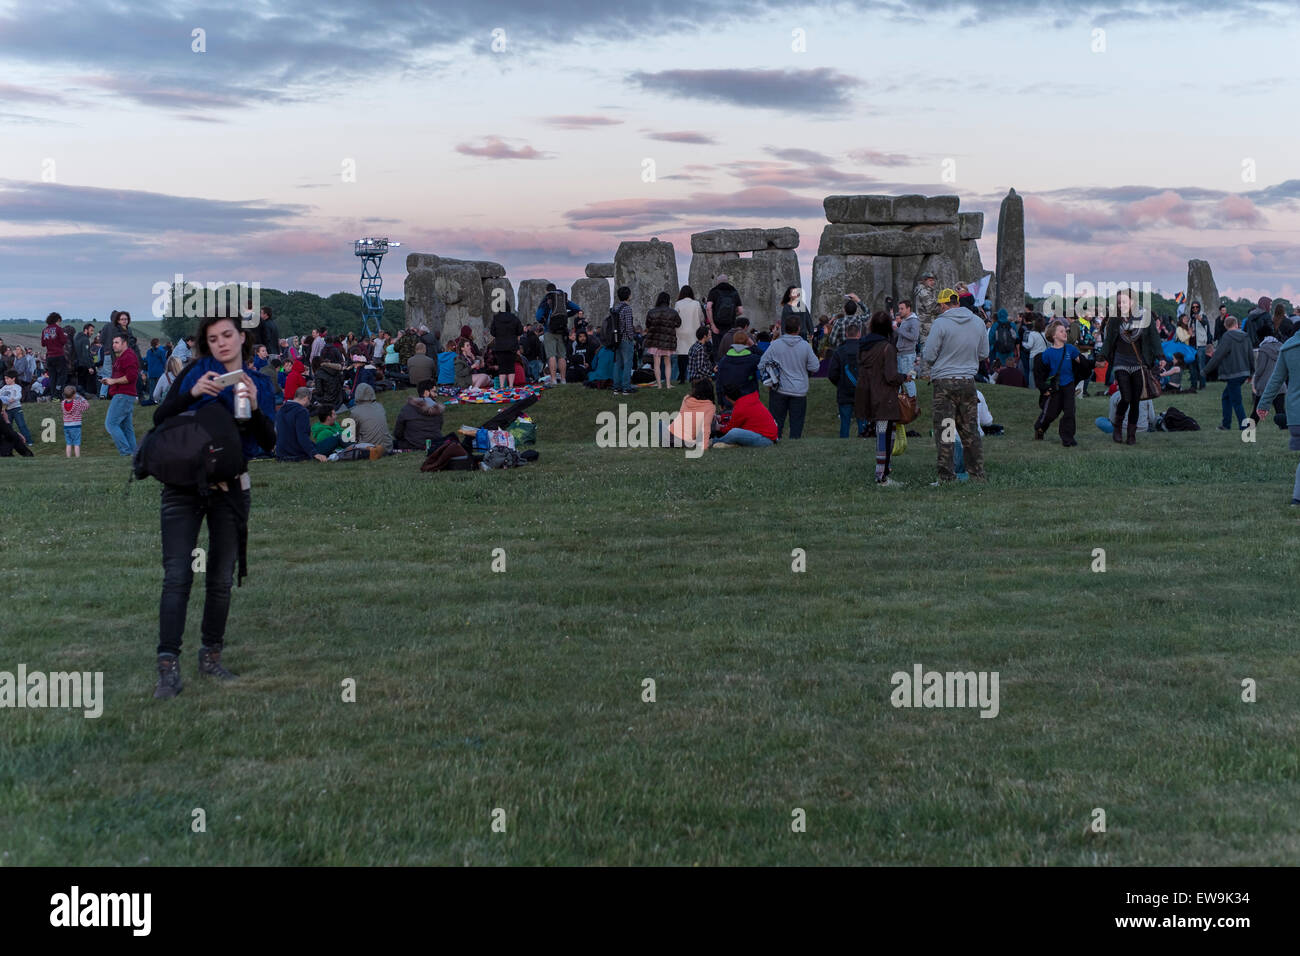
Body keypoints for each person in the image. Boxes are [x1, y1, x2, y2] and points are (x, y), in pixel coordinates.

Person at [151, 313, 277, 699]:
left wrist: (254, 407)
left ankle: (211, 656)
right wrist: (191, 394)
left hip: (232, 489)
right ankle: (168, 666)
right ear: (206, 343)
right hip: (183, 487)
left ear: (242, 339)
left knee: (220, 579)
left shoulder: (258, 383)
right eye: (214, 337)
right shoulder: (195, 374)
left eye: (228, 335)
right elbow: (159, 417)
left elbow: (269, 443)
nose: (222, 342)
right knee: (177, 576)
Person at [922, 288, 988, 482]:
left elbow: (929, 355)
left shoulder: (941, 323)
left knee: (946, 429)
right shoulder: (977, 322)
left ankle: (947, 475)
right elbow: (984, 353)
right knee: (970, 430)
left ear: (943, 305)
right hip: (968, 382)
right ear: (957, 302)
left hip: (944, 384)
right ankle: (977, 474)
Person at [1100, 288, 1165, 445]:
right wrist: (1102, 356)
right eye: (1119, 301)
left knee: (1136, 400)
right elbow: (1108, 340)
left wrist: (1160, 356)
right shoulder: (1115, 318)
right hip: (1121, 361)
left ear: (1133, 301)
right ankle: (1117, 428)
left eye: (1123, 301)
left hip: (1139, 362)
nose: (1120, 304)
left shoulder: (1145, 316)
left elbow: (1154, 338)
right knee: (1126, 397)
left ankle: (1131, 434)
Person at [855, 311, 906, 484]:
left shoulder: (863, 346)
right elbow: (890, 375)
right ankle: (881, 475)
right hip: (885, 397)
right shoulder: (887, 347)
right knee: (884, 436)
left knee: (882, 433)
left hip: (868, 394)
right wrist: (903, 377)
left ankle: (884, 470)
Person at [1254, 324, 1300, 504]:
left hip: (1296, 414)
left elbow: (1275, 379)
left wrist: (1264, 404)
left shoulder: (1288, 347)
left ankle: (1297, 498)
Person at [758, 314, 821, 439]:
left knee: (777, 422)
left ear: (784, 328)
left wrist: (770, 377)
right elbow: (815, 367)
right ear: (798, 329)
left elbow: (761, 364)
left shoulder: (776, 345)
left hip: (779, 388)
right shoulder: (804, 346)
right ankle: (795, 444)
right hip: (799, 389)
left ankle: (776, 440)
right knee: (797, 423)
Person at [1033, 320, 1083, 447]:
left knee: (1070, 412)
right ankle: (1040, 428)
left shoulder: (1070, 349)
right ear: (1054, 336)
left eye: (1065, 330)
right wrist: (1044, 387)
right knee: (1050, 414)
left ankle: (1067, 438)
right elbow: (1041, 373)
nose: (1065, 332)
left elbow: (1082, 363)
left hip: (1069, 385)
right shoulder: (1047, 353)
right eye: (1061, 331)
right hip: (1055, 387)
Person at [1204, 314, 1254, 431]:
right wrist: (1251, 372)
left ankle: (1243, 425)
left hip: (1233, 373)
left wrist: (1206, 370)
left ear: (1226, 326)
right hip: (1244, 372)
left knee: (1236, 401)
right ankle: (1226, 424)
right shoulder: (1246, 336)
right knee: (1226, 397)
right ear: (1237, 324)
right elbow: (1250, 355)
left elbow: (1218, 356)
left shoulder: (1227, 337)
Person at [101, 331, 140, 456]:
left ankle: (125, 452)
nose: (114, 345)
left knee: (110, 424)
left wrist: (113, 381)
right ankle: (134, 453)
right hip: (124, 394)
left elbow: (131, 377)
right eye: (113, 343)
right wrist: (110, 381)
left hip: (123, 395)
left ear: (125, 343)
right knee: (126, 428)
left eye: (117, 342)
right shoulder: (122, 357)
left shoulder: (128, 356)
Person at [827, 319, 866, 438]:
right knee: (863, 422)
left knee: (845, 422)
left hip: (844, 390)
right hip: (862, 390)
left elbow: (832, 373)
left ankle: (844, 441)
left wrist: (839, 383)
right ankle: (863, 438)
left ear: (846, 334)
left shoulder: (839, 351)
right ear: (859, 334)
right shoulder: (865, 351)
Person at [538, 284, 581, 385]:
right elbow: (577, 308)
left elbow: (538, 315)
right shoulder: (562, 298)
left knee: (551, 355)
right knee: (562, 356)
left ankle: (553, 379)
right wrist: (567, 314)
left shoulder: (547, 299)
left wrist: (544, 321)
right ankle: (563, 379)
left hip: (549, 330)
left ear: (547, 291)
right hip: (562, 331)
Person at [712, 383, 778, 447]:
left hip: (766, 439)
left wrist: (719, 427)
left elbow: (729, 429)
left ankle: (714, 441)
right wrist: (722, 417)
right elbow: (735, 418)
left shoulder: (740, 408)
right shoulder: (746, 400)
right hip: (769, 436)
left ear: (726, 397)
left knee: (734, 433)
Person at [275, 387, 329, 462]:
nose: (309, 403)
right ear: (306, 398)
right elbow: (302, 435)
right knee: (336, 439)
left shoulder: (281, 410)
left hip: (282, 453)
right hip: (296, 452)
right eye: (310, 400)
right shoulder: (301, 411)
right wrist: (314, 453)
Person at [662, 378, 716, 452]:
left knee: (661, 424)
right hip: (685, 440)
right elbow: (706, 428)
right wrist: (705, 447)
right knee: (713, 423)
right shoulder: (710, 407)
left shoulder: (687, 398)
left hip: (668, 436)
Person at [715, 329, 761, 409]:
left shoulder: (723, 361)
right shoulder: (752, 359)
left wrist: (720, 401)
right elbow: (765, 357)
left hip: (729, 399)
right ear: (747, 341)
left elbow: (719, 382)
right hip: (749, 399)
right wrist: (753, 346)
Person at [644, 292, 681, 388]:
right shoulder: (673, 312)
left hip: (655, 340)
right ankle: (668, 384)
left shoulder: (651, 312)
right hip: (668, 340)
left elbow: (647, 325)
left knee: (657, 363)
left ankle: (659, 385)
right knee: (668, 363)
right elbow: (678, 323)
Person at [1251, 332, 1287, 426]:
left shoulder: (1263, 349)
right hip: (1280, 384)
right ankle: (1284, 427)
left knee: (1257, 409)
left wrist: (1255, 379)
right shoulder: (1282, 346)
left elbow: (1260, 368)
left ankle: (1250, 427)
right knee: (1280, 410)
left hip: (1264, 384)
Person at [705, 274, 743, 357]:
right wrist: (733, 315)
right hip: (730, 326)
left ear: (718, 282)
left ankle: (718, 368)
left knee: (718, 349)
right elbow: (740, 311)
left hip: (717, 326)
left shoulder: (714, 291)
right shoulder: (734, 291)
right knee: (730, 348)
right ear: (727, 281)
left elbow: (708, 308)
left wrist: (712, 325)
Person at [674, 286, 705, 384]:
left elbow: (675, 318)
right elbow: (701, 318)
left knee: (681, 356)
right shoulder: (696, 304)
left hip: (681, 331)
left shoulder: (678, 304)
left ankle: (682, 378)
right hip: (693, 331)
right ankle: (693, 377)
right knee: (693, 356)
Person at [349, 382, 393, 453]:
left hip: (371, 450)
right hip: (388, 447)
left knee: (344, 439)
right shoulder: (379, 406)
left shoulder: (355, 412)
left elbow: (350, 437)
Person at [488, 307, 524, 388]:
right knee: (511, 367)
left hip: (500, 346)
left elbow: (492, 332)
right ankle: (511, 386)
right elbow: (520, 330)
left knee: (502, 367)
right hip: (512, 346)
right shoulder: (514, 317)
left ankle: (501, 386)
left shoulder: (496, 318)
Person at [610, 285, 637, 395]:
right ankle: (626, 387)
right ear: (628, 295)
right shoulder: (627, 308)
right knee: (627, 363)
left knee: (618, 363)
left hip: (616, 339)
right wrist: (632, 338)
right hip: (626, 338)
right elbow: (628, 326)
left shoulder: (615, 308)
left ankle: (616, 387)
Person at [894, 299, 920, 399]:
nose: (900, 311)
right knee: (900, 379)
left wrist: (898, 330)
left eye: (902, 308)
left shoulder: (914, 321)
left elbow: (914, 337)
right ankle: (901, 403)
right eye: (899, 308)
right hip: (902, 354)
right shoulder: (906, 320)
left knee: (908, 380)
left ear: (908, 308)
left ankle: (912, 405)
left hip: (908, 356)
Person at [40, 311, 71, 395]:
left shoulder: (45, 330)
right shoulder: (58, 329)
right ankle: (58, 394)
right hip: (59, 355)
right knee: (62, 376)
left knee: (52, 377)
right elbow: (64, 341)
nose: (59, 323)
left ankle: (53, 395)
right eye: (59, 321)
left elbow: (43, 344)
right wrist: (65, 335)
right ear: (57, 319)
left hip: (49, 356)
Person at [1, 368, 31, 444]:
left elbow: (19, 395)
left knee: (21, 425)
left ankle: (28, 441)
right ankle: (9, 441)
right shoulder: (4, 388)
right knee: (8, 426)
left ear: (13, 378)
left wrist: (13, 399)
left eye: (7, 378)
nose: (6, 380)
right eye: (5, 378)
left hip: (16, 409)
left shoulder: (17, 387)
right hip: (7, 411)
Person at [1187, 301, 1211, 393]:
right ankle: (1193, 385)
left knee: (1201, 366)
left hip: (1201, 344)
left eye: (1197, 307)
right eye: (1193, 307)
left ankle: (1202, 385)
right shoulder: (1191, 319)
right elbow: (1190, 330)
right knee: (1192, 366)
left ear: (1199, 307)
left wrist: (1199, 318)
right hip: (1192, 345)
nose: (1195, 309)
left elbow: (1206, 324)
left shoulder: (1203, 316)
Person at [59, 385, 88, 458]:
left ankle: (68, 457)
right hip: (76, 426)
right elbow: (87, 406)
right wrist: (81, 397)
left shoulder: (62, 403)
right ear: (74, 394)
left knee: (68, 443)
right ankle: (77, 457)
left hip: (66, 426)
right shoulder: (77, 403)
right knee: (76, 443)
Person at [73, 322, 96, 396]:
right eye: (91, 330)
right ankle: (88, 396)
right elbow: (85, 354)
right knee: (87, 384)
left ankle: (80, 397)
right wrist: (89, 367)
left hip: (77, 364)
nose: (92, 333)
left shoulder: (76, 338)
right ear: (86, 330)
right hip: (84, 365)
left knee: (80, 383)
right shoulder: (85, 339)